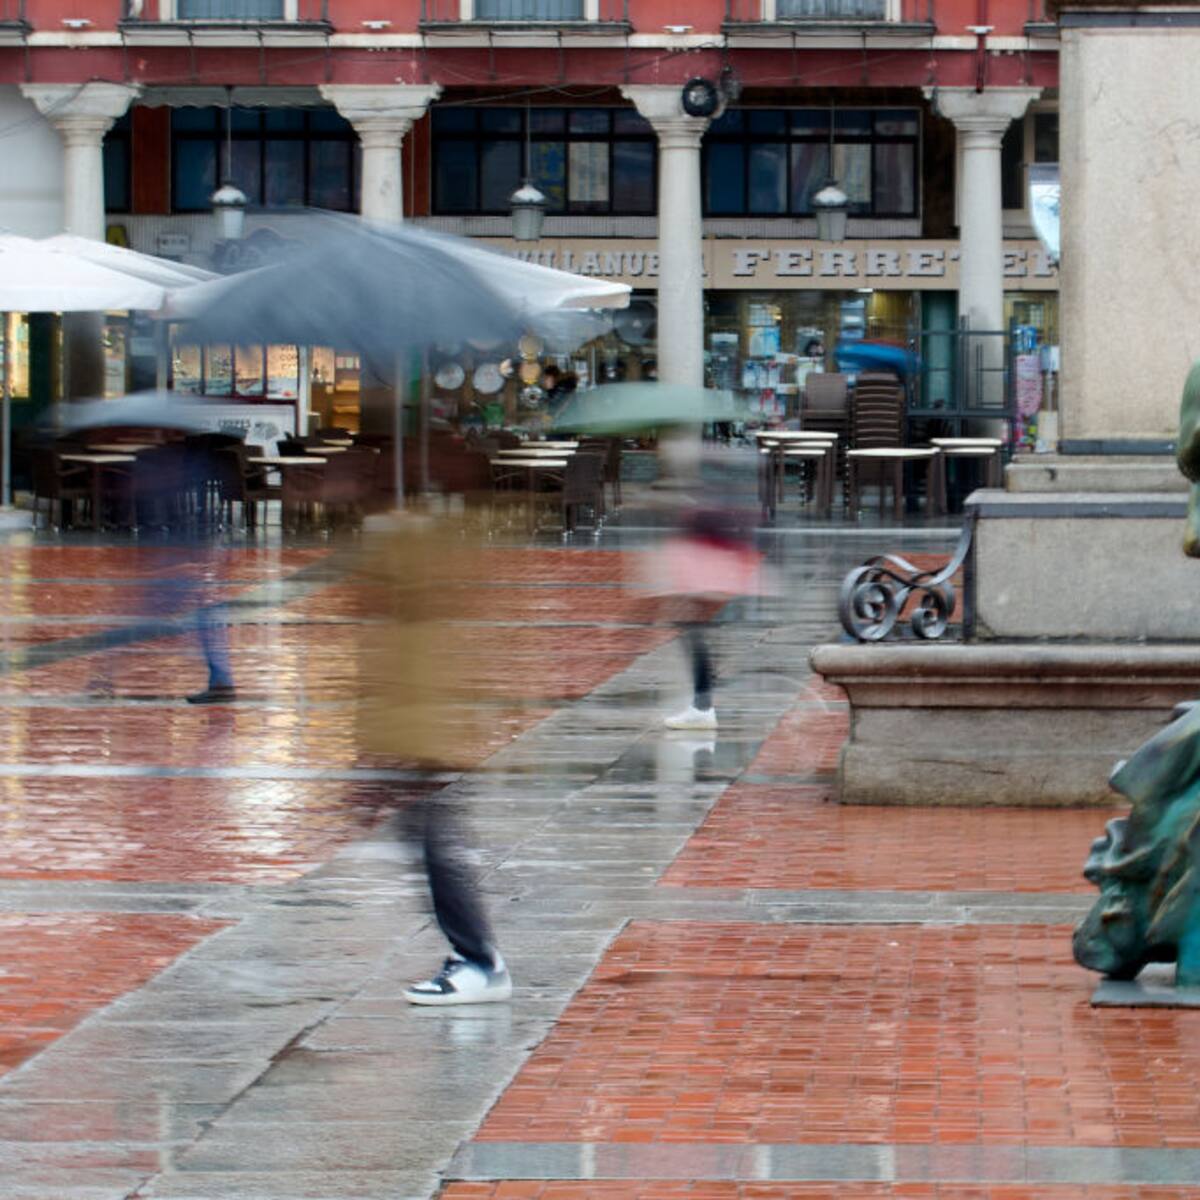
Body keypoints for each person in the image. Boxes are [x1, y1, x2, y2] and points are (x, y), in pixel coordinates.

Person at [353, 512, 511, 1006]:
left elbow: (421, 685)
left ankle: (480, 963)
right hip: (420, 746)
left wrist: (396, 757)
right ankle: (476, 959)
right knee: (431, 848)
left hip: (426, 748)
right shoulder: (403, 622)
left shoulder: (417, 622)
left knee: (438, 850)